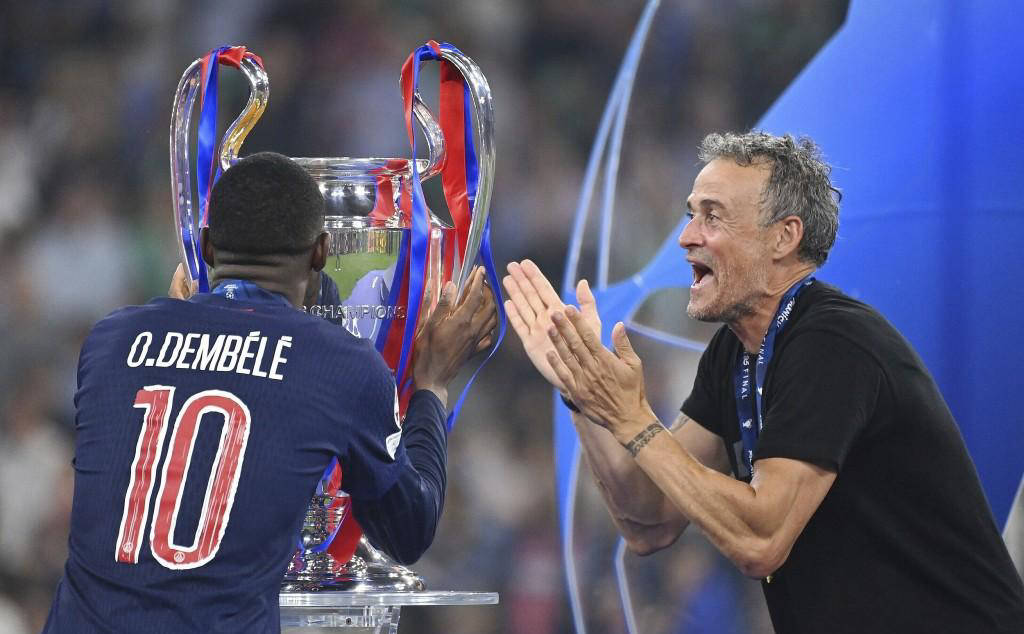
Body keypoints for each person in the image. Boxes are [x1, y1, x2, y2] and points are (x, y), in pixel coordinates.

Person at [504, 132, 1024, 632]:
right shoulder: (734, 351)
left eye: (712, 216)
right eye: (691, 214)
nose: (687, 236)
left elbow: (761, 541)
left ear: (784, 236)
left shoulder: (834, 342)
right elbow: (649, 517)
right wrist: (581, 389)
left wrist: (633, 418)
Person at [44, 151, 497, 633]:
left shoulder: (111, 340)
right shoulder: (337, 364)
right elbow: (410, 531)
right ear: (321, 253)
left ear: (207, 247)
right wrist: (431, 384)